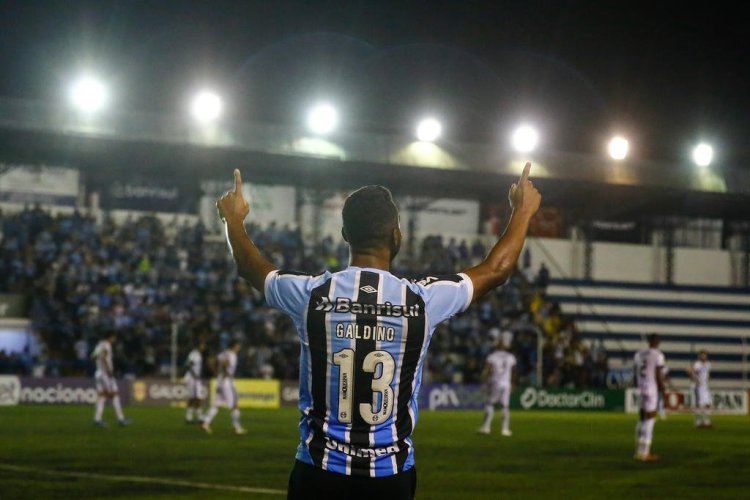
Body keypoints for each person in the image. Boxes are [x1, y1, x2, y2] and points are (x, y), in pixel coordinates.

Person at [216, 164, 541, 499]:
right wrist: (522, 211)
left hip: (318, 473)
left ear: (345, 235)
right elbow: (497, 269)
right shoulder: (421, 301)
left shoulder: (313, 295)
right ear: (396, 236)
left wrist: (233, 220)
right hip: (390, 480)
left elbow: (251, 267)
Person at [201, 340, 247, 435]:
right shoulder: (232, 355)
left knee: (217, 405)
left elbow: (212, 360)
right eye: (238, 346)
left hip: (219, 381)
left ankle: (205, 422)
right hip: (227, 382)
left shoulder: (223, 353)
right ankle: (237, 428)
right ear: (235, 346)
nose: (239, 348)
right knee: (235, 405)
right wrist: (226, 372)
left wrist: (215, 372)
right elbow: (226, 363)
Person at [633, 333, 665, 461]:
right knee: (650, 420)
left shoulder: (639, 354)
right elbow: (658, 374)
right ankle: (645, 453)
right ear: (657, 342)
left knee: (641, 418)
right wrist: (662, 388)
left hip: (641, 388)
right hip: (652, 389)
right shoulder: (658, 355)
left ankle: (638, 451)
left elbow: (635, 372)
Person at [478, 339, 516, 436]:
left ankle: (486, 427)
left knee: (490, 403)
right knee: (505, 406)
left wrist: (484, 382)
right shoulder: (511, 357)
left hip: (496, 382)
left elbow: (488, 370)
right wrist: (513, 383)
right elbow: (514, 371)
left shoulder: (492, 357)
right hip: (506, 383)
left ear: (496, 347)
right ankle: (505, 429)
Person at [92, 332, 130, 427]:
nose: (115, 339)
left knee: (102, 396)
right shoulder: (107, 345)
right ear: (111, 337)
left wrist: (99, 365)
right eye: (114, 337)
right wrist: (108, 370)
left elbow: (93, 357)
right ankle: (121, 419)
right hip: (106, 374)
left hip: (98, 373)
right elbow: (104, 357)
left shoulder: (99, 344)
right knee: (114, 395)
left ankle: (97, 420)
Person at [184, 339, 207, 424]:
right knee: (198, 398)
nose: (204, 347)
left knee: (193, 398)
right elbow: (189, 365)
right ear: (199, 345)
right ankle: (200, 417)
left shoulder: (197, 354)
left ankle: (188, 417)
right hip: (193, 379)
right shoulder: (194, 354)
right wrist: (194, 375)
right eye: (203, 345)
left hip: (194, 379)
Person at [687, 350, 712, 428]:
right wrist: (695, 380)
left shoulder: (708, 364)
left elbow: (708, 373)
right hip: (699, 387)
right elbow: (689, 371)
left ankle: (706, 421)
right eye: (702, 355)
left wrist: (708, 379)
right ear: (699, 356)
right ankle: (697, 422)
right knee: (699, 405)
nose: (703, 357)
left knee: (708, 404)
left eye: (705, 355)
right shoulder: (697, 364)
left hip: (705, 387)